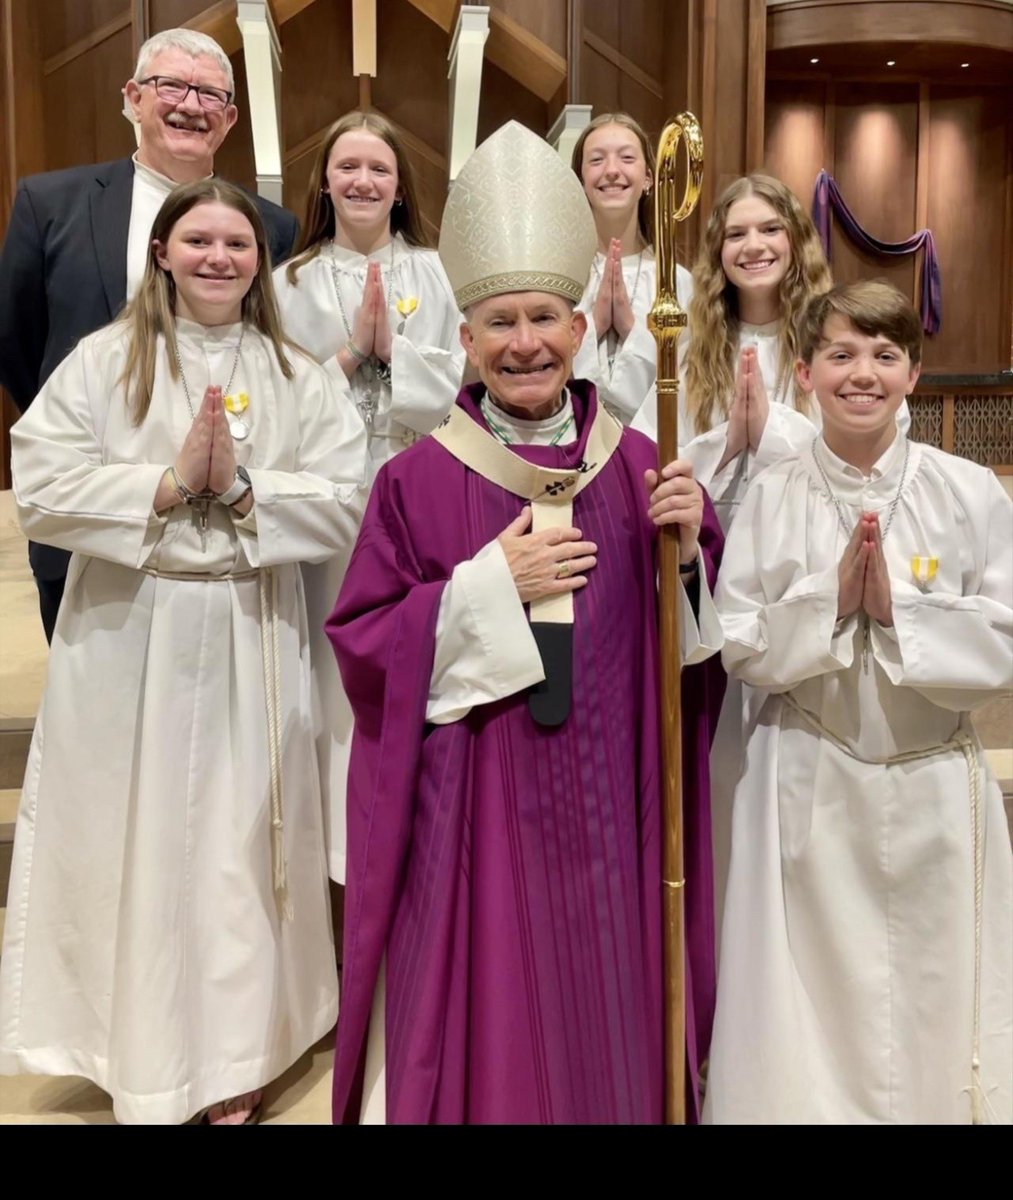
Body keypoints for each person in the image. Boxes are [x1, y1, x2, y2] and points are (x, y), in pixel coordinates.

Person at [326, 122, 725, 1125]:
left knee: (608, 1011)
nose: (523, 345)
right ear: (463, 339)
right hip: (479, 817)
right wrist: (479, 586)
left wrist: (689, 554)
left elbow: (698, 658)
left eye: (543, 318)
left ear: (579, 330)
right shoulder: (414, 483)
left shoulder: (643, 468)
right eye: (498, 323)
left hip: (615, 809)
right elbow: (365, 648)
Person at [0, 180, 367, 1125]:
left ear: (260, 259)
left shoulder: (297, 372)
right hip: (132, 633)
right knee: (142, 838)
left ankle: (237, 1053)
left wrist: (245, 492)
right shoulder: (105, 360)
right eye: (197, 239)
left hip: (251, 630)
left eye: (236, 242)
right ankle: (139, 1048)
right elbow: (40, 479)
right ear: (161, 250)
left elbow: (345, 500)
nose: (217, 257)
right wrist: (164, 486)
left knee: (240, 849)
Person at [706, 280, 1012, 1124]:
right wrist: (828, 604)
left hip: (935, 787)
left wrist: (898, 613)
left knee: (933, 997)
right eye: (839, 354)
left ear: (914, 372)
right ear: (802, 372)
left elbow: (1005, 638)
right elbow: (735, 639)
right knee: (809, 1017)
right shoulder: (771, 493)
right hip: (808, 777)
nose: (861, 373)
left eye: (884, 355)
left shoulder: (968, 490)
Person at [0, 28, 300, 642]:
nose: (190, 104)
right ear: (134, 97)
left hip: (225, 525)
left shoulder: (271, 227)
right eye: (170, 85)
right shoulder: (51, 202)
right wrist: (79, 432)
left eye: (209, 94)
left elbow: (274, 352)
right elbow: (16, 338)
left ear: (230, 117)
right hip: (93, 509)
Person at [274, 111, 463, 884]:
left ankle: (413, 833)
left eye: (378, 169)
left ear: (398, 186)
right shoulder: (288, 281)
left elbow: (463, 385)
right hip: (329, 501)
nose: (362, 181)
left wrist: (402, 359)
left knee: (414, 652)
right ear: (323, 180)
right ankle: (334, 855)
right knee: (332, 664)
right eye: (347, 166)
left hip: (415, 488)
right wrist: (353, 354)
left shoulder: (433, 270)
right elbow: (277, 400)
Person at [569, 112, 693, 430]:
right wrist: (594, 325)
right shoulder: (559, 276)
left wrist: (629, 329)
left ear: (649, 179)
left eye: (626, 158)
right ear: (580, 180)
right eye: (596, 160)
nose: (612, 171)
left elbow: (692, 384)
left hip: (653, 451)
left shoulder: (676, 281)